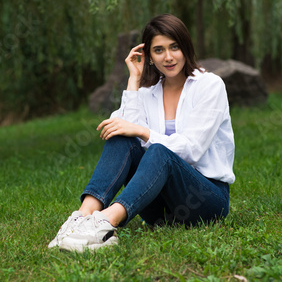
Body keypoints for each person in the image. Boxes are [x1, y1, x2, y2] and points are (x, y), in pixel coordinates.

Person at [48, 14, 235, 252]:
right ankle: (81, 217)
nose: (168, 57)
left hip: (204, 199)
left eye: (174, 47)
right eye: (159, 50)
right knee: (122, 136)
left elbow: (192, 150)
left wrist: (142, 131)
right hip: (158, 208)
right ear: (149, 57)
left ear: (185, 47)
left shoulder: (209, 85)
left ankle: (104, 223)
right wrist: (134, 80)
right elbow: (122, 127)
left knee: (159, 151)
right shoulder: (148, 93)